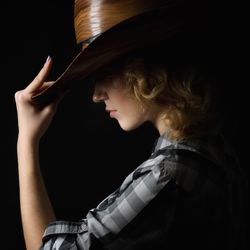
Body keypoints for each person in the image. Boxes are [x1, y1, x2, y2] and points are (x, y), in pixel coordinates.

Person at [15, 0, 248, 249]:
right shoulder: (217, 149)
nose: (96, 95)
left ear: (145, 68)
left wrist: (26, 141)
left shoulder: (168, 175)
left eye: (105, 74)